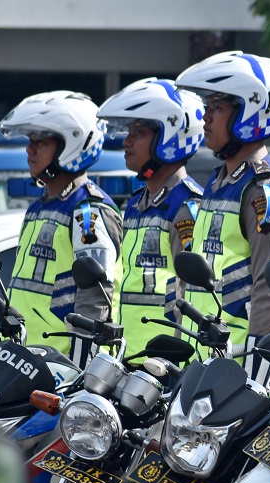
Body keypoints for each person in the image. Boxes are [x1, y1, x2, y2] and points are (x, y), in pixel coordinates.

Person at [174, 51, 270, 389]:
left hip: (247, 374)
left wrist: (249, 385)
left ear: (251, 112)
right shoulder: (221, 182)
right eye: (207, 106)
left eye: (217, 108)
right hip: (214, 363)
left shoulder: (264, 192)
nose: (205, 117)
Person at [0, 91, 123, 369]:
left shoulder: (87, 210)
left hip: (62, 364)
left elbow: (96, 296)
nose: (29, 150)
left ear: (72, 144)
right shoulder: (39, 207)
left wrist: (80, 370)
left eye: (40, 142)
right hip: (26, 356)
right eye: (30, 141)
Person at [97, 78, 207, 355]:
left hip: (166, 363)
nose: (127, 140)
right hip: (128, 357)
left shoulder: (187, 204)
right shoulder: (136, 203)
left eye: (139, 132)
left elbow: (191, 296)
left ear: (168, 137)